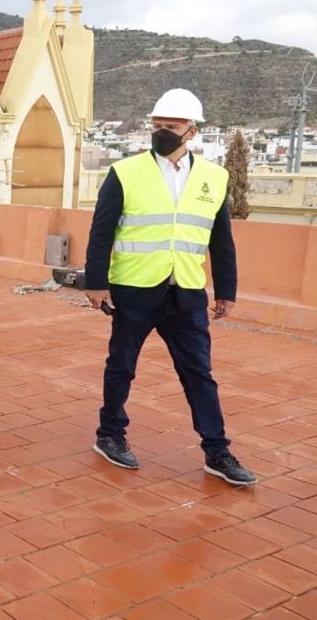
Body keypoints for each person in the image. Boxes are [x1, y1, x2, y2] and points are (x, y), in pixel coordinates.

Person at [85, 88, 256, 486]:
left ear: (191, 131)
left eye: (171, 126)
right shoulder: (125, 172)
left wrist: (226, 291)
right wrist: (95, 283)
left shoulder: (215, 178)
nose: (161, 131)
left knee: (199, 373)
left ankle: (217, 451)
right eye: (156, 125)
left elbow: (220, 239)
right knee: (122, 366)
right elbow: (101, 231)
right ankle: (110, 435)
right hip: (134, 288)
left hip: (187, 292)